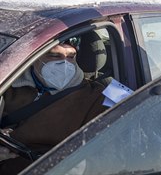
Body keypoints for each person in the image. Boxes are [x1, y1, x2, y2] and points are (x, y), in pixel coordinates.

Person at [0, 42, 108, 174]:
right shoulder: (7, 83)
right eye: (54, 55)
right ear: (34, 58)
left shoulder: (95, 96)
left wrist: (83, 167)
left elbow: (113, 149)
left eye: (71, 56)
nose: (64, 64)